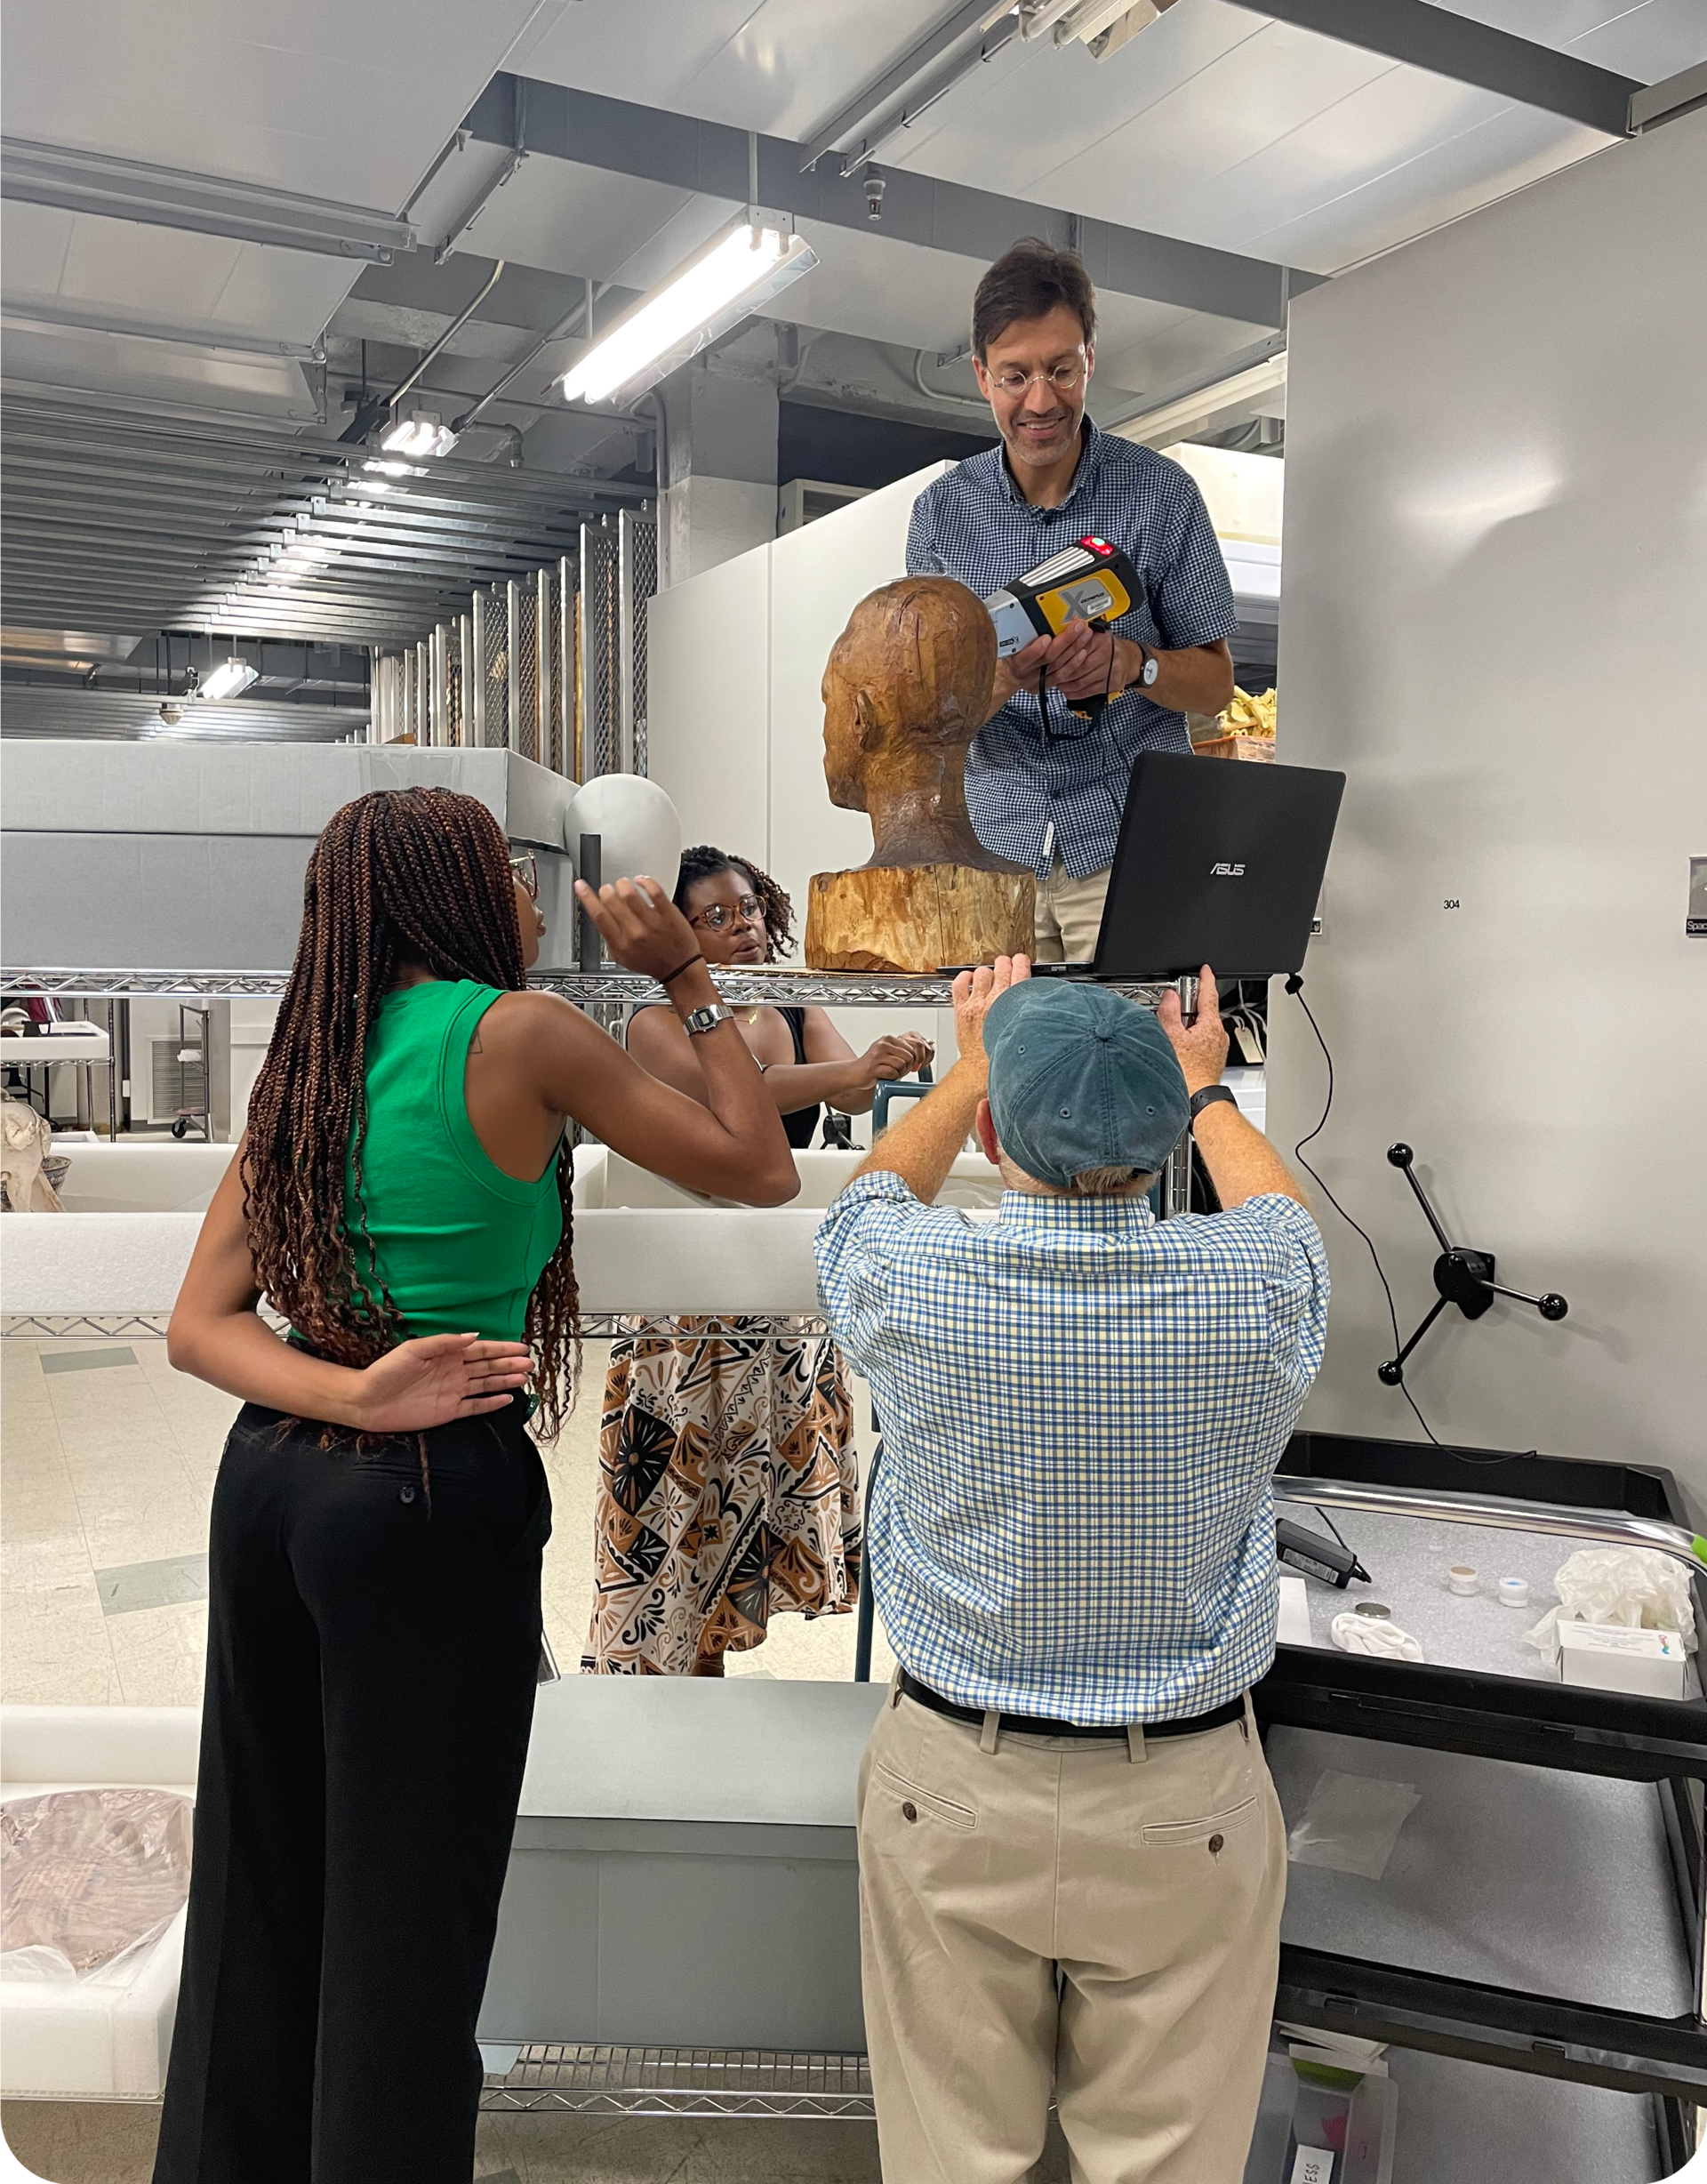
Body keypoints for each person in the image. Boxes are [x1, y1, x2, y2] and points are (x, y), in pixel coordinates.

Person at [153, 787, 795, 2184]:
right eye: (504, 870)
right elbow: (756, 1165)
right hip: (423, 1498)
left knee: (260, 1871)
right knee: (407, 1915)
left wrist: (342, 1388)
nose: (527, 892)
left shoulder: (312, 1055)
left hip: (268, 1485)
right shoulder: (517, 1033)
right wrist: (687, 976)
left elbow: (200, 1326)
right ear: (447, 889)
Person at [814, 960, 1328, 2184]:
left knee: (950, 2158)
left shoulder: (911, 1280)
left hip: (952, 1784)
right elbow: (1282, 1214)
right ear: (1167, 1143)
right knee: (1169, 2160)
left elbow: (868, 1196)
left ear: (995, 1131)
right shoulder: (1256, 1285)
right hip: (1182, 1794)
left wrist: (973, 1067)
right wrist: (1208, 1093)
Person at [584, 843, 931, 1676]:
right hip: (688, 1310)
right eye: (716, 917)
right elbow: (729, 1095)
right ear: (676, 931)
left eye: (749, 910)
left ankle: (712, 1695)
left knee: (746, 1533)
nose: (743, 928)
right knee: (681, 1531)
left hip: (777, 1310)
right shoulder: (652, 1022)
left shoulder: (792, 1006)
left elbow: (846, 1089)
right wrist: (847, 1070)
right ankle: (675, 1705)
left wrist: (877, 1067)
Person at [906, 238, 1238, 964]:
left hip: (1132, 846)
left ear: (1090, 359)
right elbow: (930, 719)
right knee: (1003, 1073)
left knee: (1139, 1066)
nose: (1040, 400)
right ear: (980, 376)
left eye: (1061, 369)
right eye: (1014, 376)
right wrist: (1000, 681)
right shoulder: (940, 516)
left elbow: (1216, 682)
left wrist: (1132, 664)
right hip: (994, 852)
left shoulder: (1162, 494)